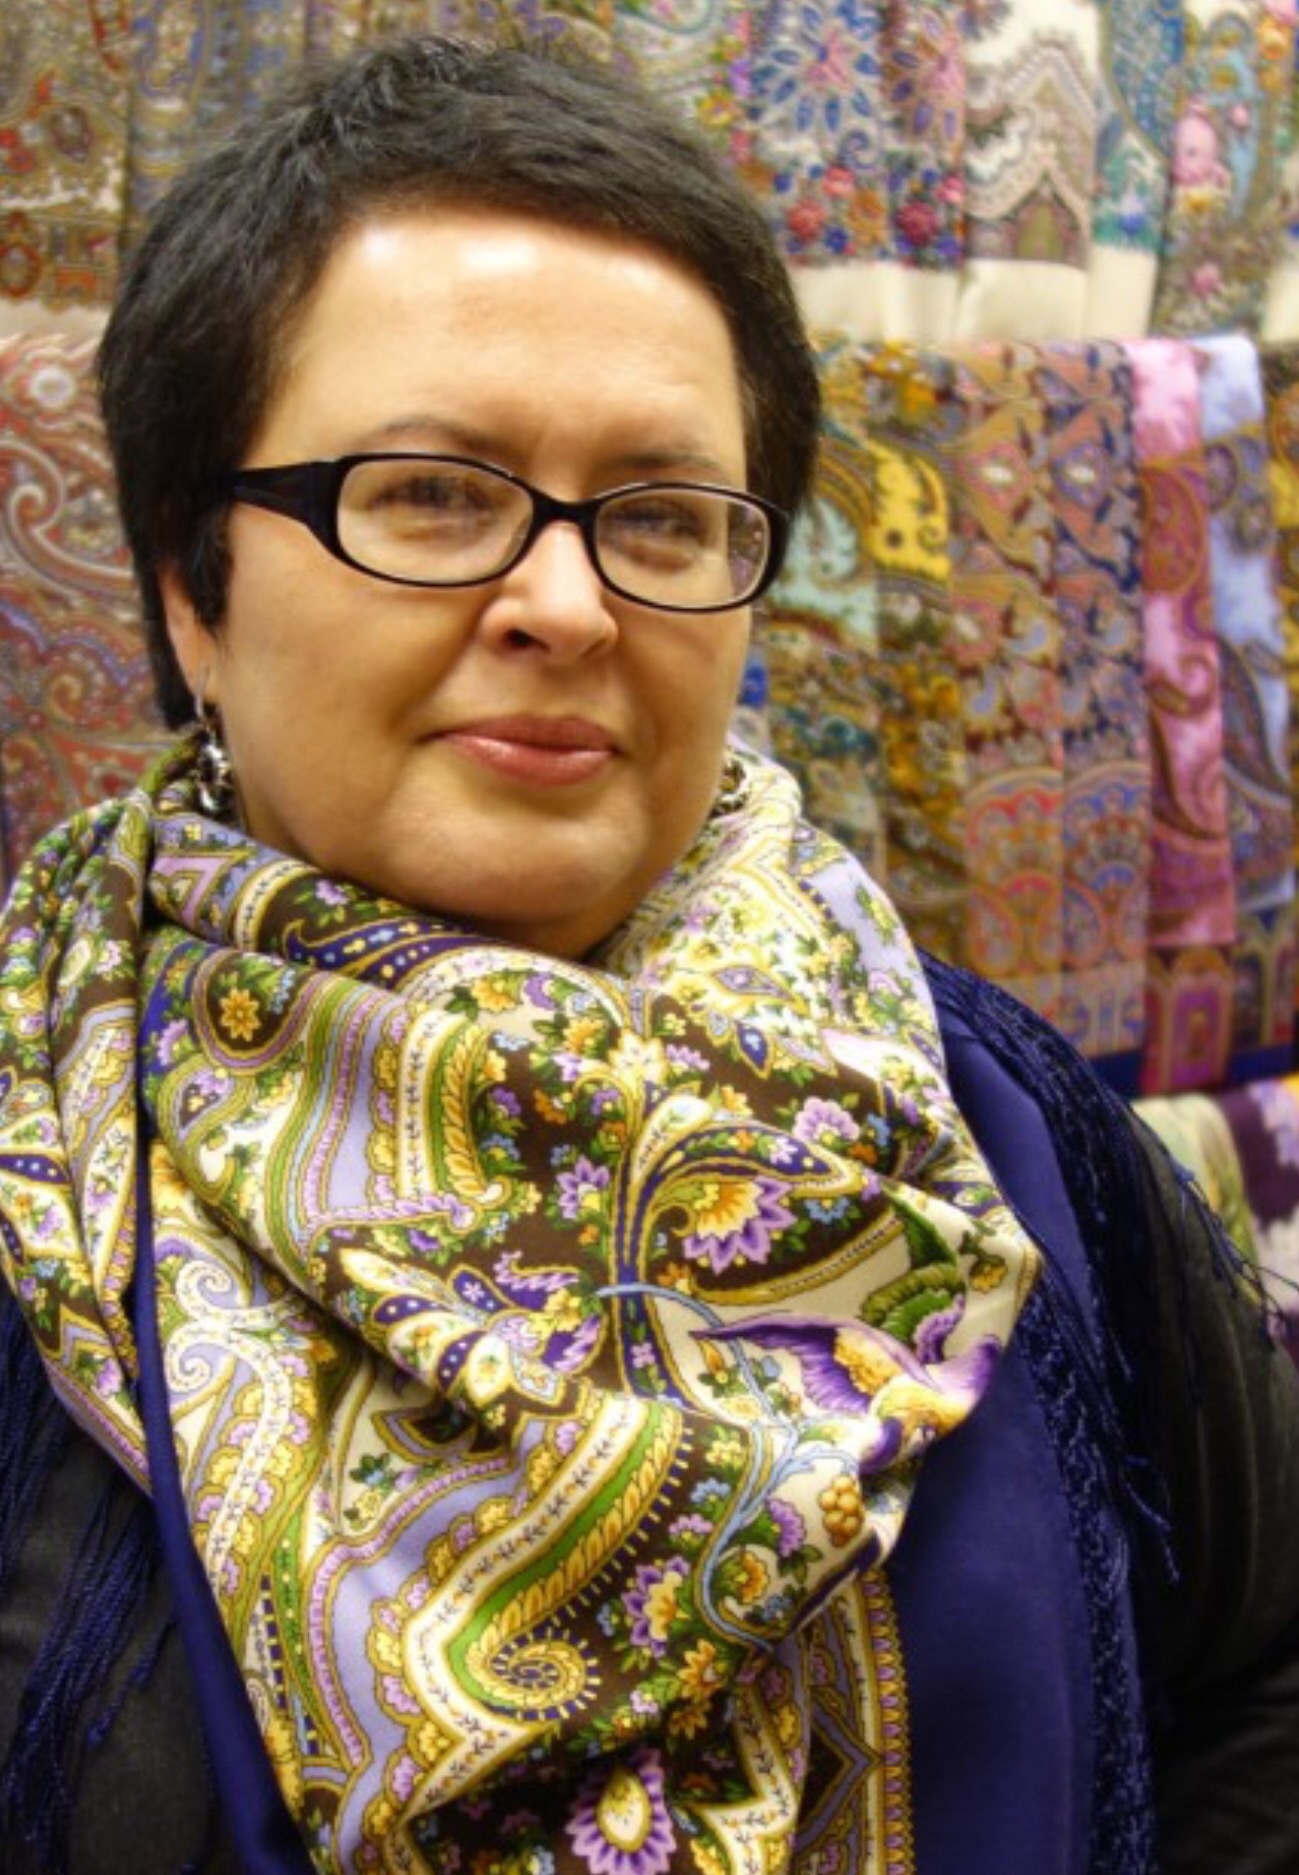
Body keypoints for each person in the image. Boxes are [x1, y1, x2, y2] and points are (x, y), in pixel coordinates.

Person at [0, 31, 1295, 1875]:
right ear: (187, 589)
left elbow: (1264, 1667)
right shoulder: (50, 1179)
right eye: (431, 494)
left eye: (665, 520)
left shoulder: (994, 1129)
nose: (568, 604)